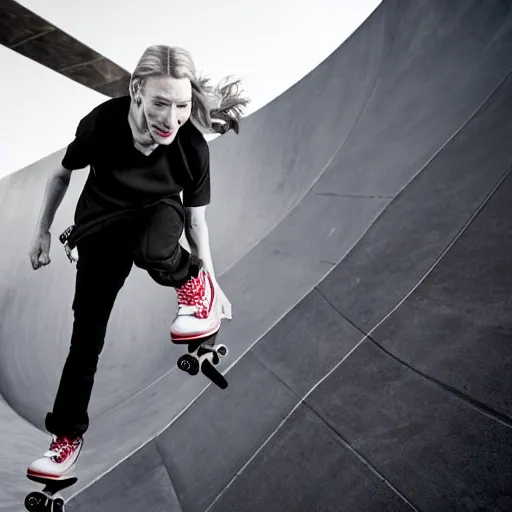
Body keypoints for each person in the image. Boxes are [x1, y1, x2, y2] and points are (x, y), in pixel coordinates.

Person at [26, 45, 249, 480]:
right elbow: (61, 174)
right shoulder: (102, 123)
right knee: (85, 336)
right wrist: (42, 230)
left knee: (155, 244)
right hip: (100, 226)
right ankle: (66, 440)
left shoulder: (191, 149)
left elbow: (195, 223)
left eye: (182, 106)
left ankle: (193, 292)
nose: (171, 119)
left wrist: (210, 283)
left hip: (157, 216)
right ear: (137, 92)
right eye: (161, 104)